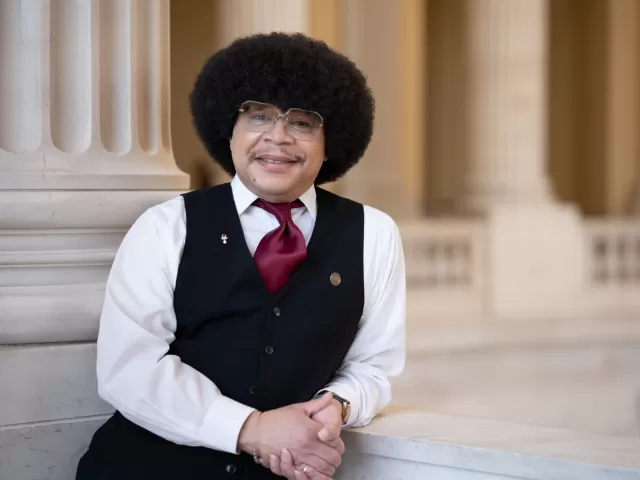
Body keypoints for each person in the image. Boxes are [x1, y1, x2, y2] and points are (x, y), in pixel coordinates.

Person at [76, 32, 406, 480]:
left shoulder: (375, 234)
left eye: (303, 122)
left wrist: (337, 408)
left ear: (331, 141)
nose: (278, 137)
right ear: (228, 130)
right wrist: (252, 429)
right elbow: (129, 368)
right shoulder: (165, 226)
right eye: (259, 116)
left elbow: (373, 366)